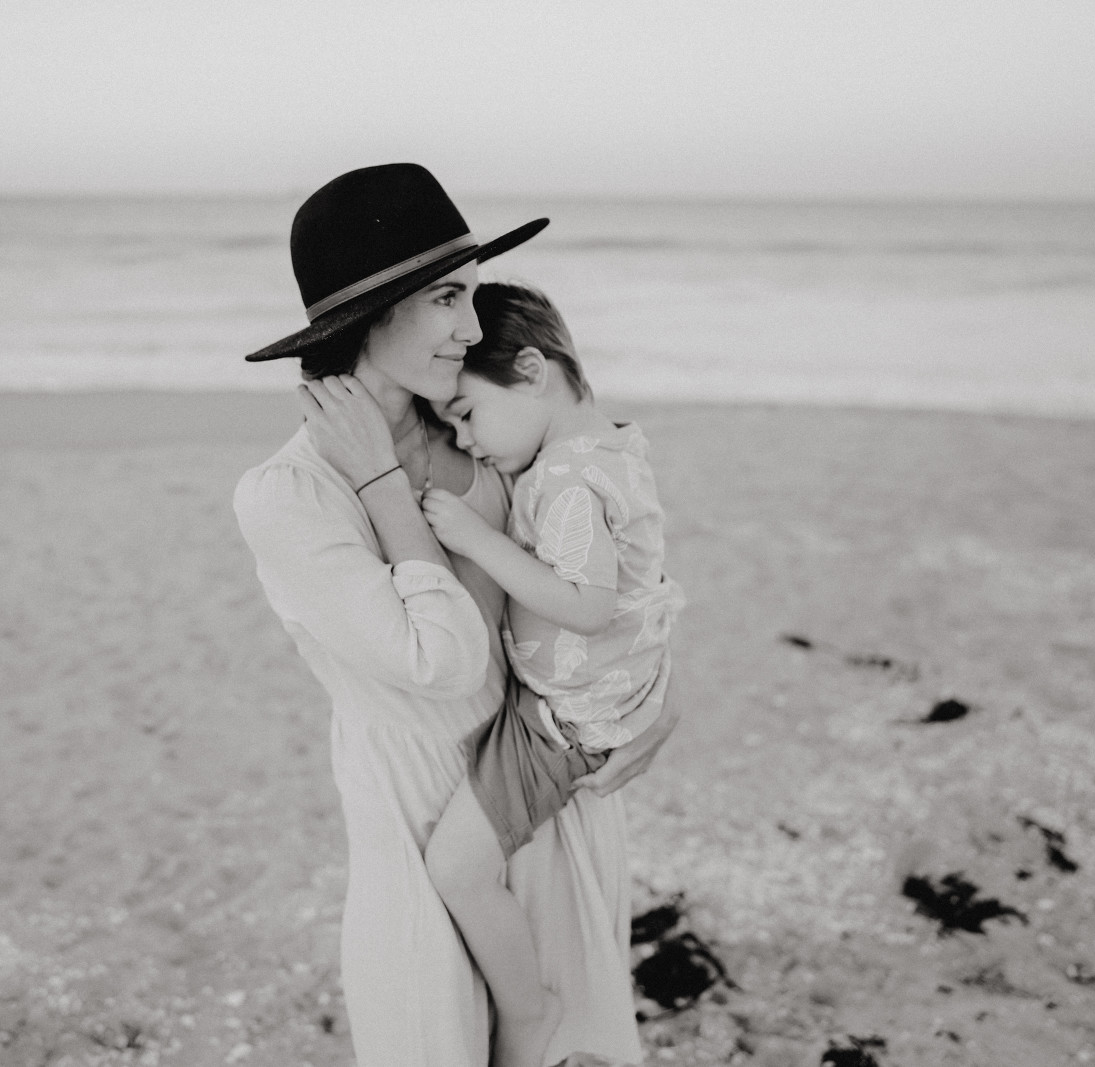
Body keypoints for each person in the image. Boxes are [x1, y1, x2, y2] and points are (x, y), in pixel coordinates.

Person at [233, 164, 678, 1067]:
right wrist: (379, 481)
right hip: (419, 813)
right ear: (371, 315)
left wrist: (660, 694)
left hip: (546, 784)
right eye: (448, 297)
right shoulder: (288, 495)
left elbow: (607, 557)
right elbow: (443, 661)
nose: (473, 327)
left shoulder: (480, 427)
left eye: (471, 294)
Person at [418, 282, 682, 1067]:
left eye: (467, 413)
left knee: (456, 868)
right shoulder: (613, 450)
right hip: (599, 700)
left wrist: (475, 539)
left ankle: (530, 1011)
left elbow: (588, 606)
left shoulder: (567, 478)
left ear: (531, 371)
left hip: (563, 725)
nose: (466, 440)